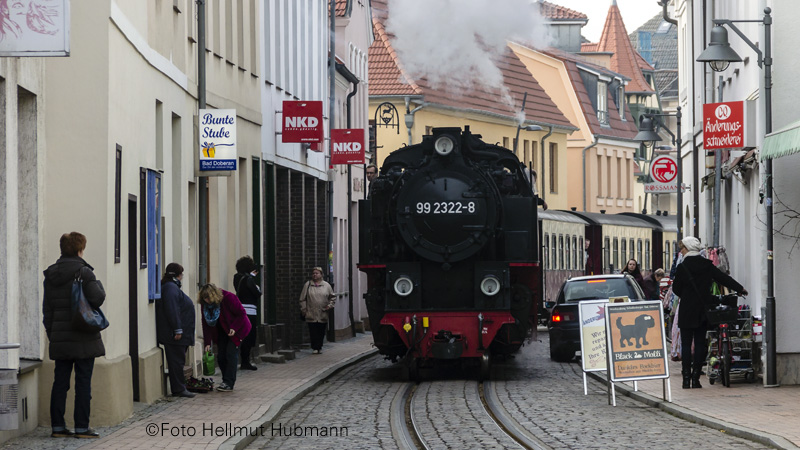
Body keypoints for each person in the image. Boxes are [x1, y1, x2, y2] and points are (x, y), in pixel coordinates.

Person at [43, 232, 106, 438]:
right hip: (83, 338)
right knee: (83, 382)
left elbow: (47, 310)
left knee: (60, 383)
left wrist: (52, 334)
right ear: (80, 249)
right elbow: (97, 299)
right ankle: (81, 427)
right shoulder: (84, 272)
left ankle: (58, 427)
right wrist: (98, 283)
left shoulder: (51, 274)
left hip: (59, 338)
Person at [671, 236, 748, 389]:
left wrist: (686, 295)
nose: (681, 251)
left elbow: (676, 289)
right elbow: (723, 278)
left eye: (683, 248)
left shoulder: (682, 267)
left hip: (687, 309)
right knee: (700, 343)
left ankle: (686, 379)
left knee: (686, 344)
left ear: (687, 248)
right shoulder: (706, 265)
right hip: (702, 309)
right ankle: (696, 379)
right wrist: (740, 289)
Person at [198, 283, 252, 392]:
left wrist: (234, 328)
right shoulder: (205, 305)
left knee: (231, 354)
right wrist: (207, 342)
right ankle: (224, 380)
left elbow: (241, 314)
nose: (207, 301)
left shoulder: (229, 298)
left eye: (208, 298)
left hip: (237, 329)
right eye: (204, 298)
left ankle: (229, 382)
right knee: (221, 356)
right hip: (221, 332)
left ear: (214, 296)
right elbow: (205, 323)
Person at [156, 263, 196, 398]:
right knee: (176, 361)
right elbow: (172, 310)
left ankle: (180, 386)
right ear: (178, 275)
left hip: (179, 333)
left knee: (178, 360)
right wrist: (177, 330)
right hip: (174, 334)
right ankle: (178, 388)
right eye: (181, 274)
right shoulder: (171, 288)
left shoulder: (170, 287)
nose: (182, 277)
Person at [233, 256, 262, 371]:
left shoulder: (236, 277)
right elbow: (257, 292)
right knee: (249, 336)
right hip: (250, 310)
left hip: (240, 308)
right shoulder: (248, 279)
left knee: (242, 335)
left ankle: (242, 359)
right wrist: (254, 280)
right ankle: (246, 361)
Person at [299, 267, 335, 354]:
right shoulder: (308, 285)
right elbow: (302, 299)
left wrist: (329, 306)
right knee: (313, 331)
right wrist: (304, 309)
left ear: (321, 275)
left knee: (321, 331)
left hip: (322, 312)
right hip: (311, 312)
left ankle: (319, 346)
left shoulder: (326, 286)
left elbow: (332, 297)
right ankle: (315, 347)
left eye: (317, 273)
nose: (315, 275)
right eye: (313, 273)